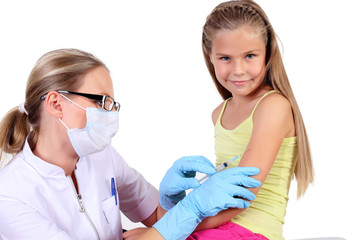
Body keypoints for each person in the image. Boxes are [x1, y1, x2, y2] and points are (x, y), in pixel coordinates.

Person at [0, 48, 261, 240]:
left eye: (112, 104)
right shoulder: (11, 195)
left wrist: (172, 203)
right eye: (101, 101)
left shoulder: (101, 155)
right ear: (56, 104)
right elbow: (162, 231)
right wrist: (190, 211)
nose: (110, 113)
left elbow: (156, 218)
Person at [185, 0, 315, 239]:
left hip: (253, 231)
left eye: (250, 56)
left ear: (267, 54)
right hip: (219, 225)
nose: (238, 70)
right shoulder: (220, 113)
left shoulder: (273, 106)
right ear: (209, 56)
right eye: (225, 58)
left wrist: (174, 226)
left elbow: (241, 194)